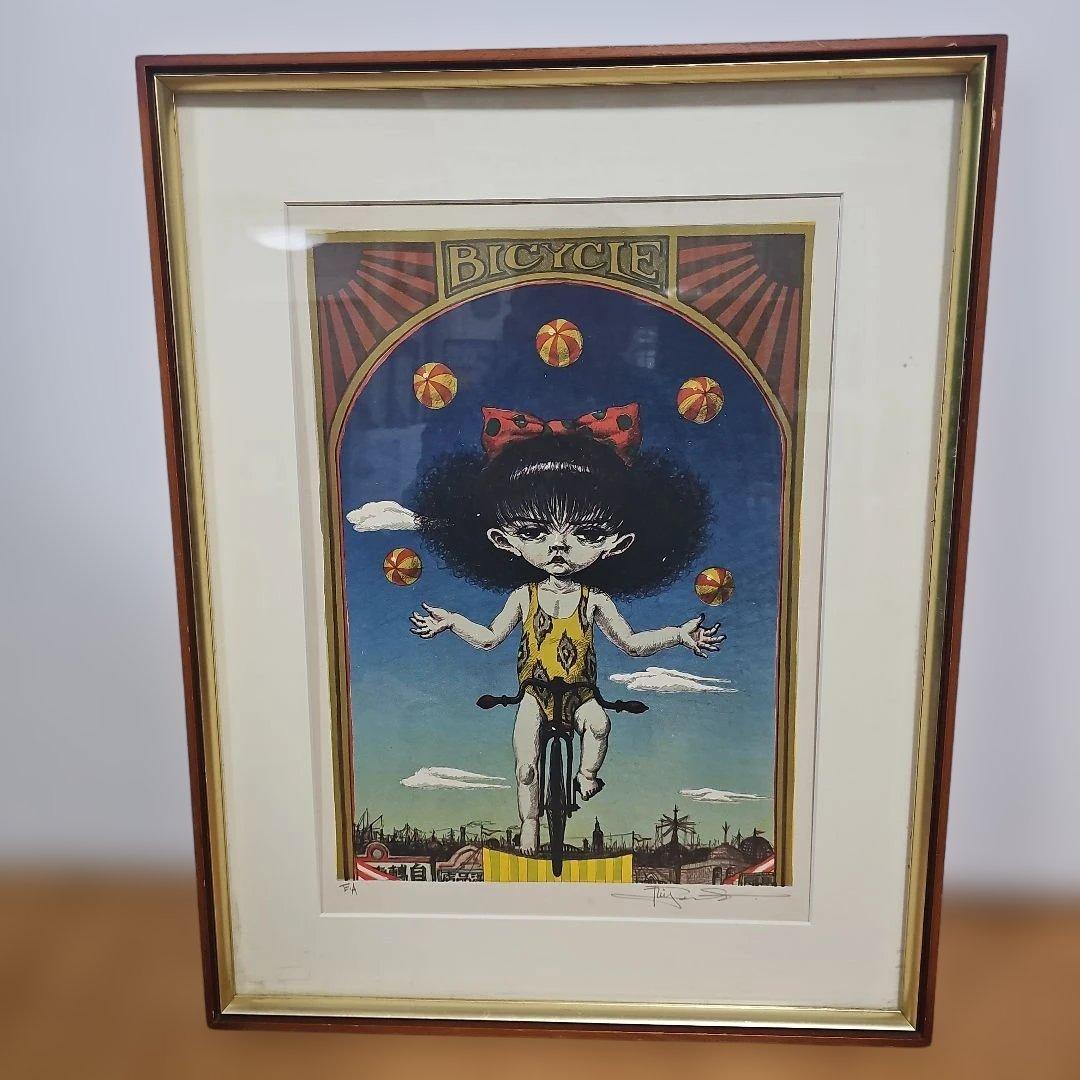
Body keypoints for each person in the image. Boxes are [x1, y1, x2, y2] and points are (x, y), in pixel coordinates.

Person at [409, 404, 724, 855]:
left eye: (586, 534)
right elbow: (491, 638)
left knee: (599, 725)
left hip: (582, 694)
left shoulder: (594, 599)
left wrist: (678, 634)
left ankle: (587, 775)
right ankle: (530, 827)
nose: (559, 545)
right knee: (526, 767)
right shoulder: (524, 596)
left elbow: (631, 644)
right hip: (534, 693)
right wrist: (453, 621)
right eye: (535, 532)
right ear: (503, 540)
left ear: (616, 544)